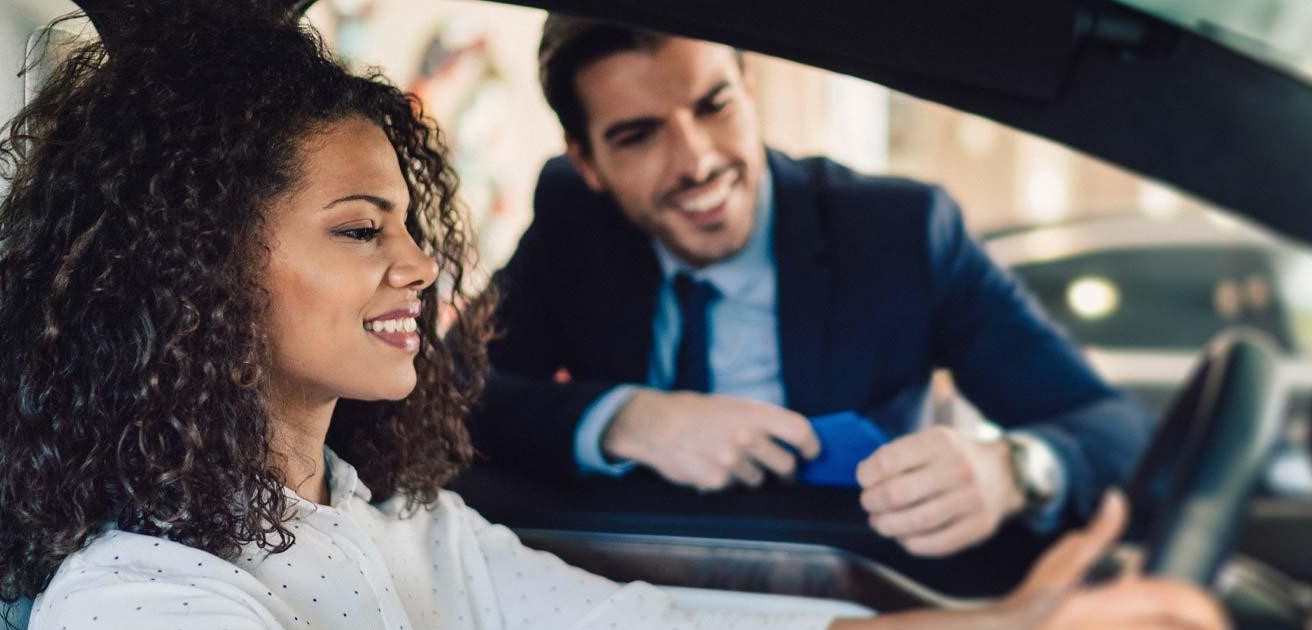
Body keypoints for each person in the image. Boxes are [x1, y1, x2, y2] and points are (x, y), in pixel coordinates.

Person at [0, 11, 1227, 630]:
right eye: (363, 230)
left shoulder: (380, 516)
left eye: (412, 226)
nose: (424, 268)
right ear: (198, 276)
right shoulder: (140, 618)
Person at [470, 16, 1152, 558]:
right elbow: (455, 396)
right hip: (620, 589)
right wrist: (624, 420)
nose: (698, 160)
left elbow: (1112, 430)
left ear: (750, 88)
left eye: (714, 105)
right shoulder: (572, 221)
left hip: (856, 591)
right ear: (586, 161)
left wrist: (1013, 470)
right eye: (639, 136)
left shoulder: (901, 234)